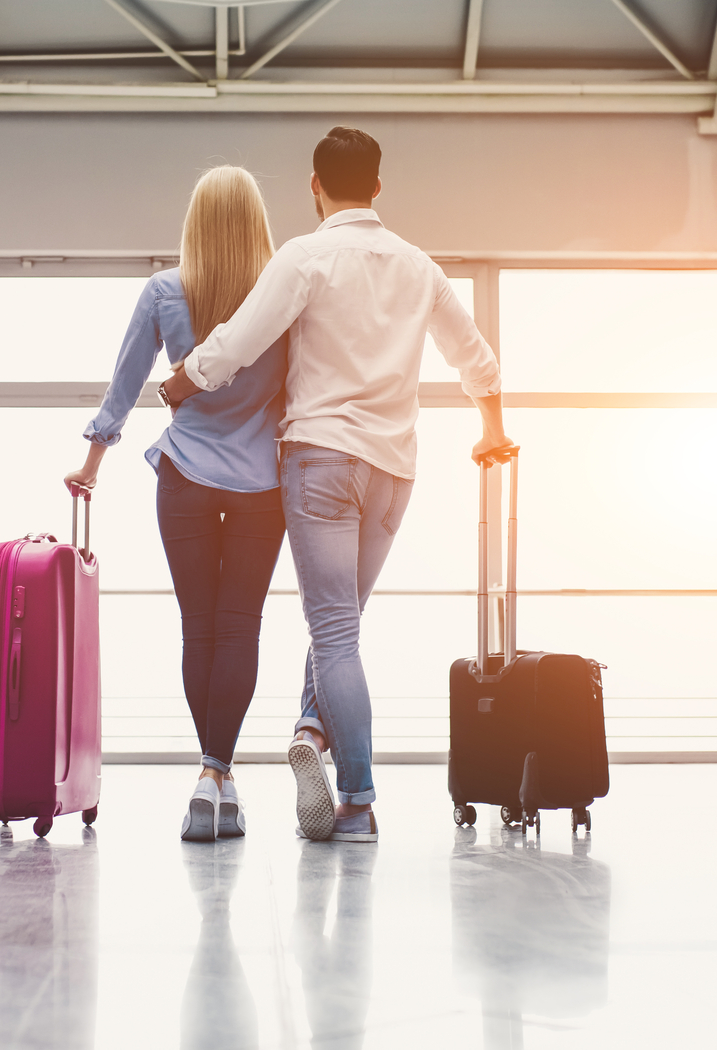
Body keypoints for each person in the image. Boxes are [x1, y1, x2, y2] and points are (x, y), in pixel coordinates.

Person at [162, 127, 515, 843]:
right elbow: (477, 359)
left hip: (322, 464)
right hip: (393, 471)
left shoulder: (305, 256)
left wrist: (184, 380)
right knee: (342, 626)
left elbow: (239, 339)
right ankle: (311, 729)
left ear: (315, 187)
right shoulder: (419, 267)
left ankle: (357, 799)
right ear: (379, 187)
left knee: (333, 632)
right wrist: (491, 428)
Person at [65, 166, 289, 843]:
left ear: (194, 224)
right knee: (239, 628)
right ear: (257, 225)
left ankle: (206, 773)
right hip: (261, 488)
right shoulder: (281, 298)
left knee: (199, 628)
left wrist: (92, 464)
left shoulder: (166, 291)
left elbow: (125, 384)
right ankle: (220, 773)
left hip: (185, 481)